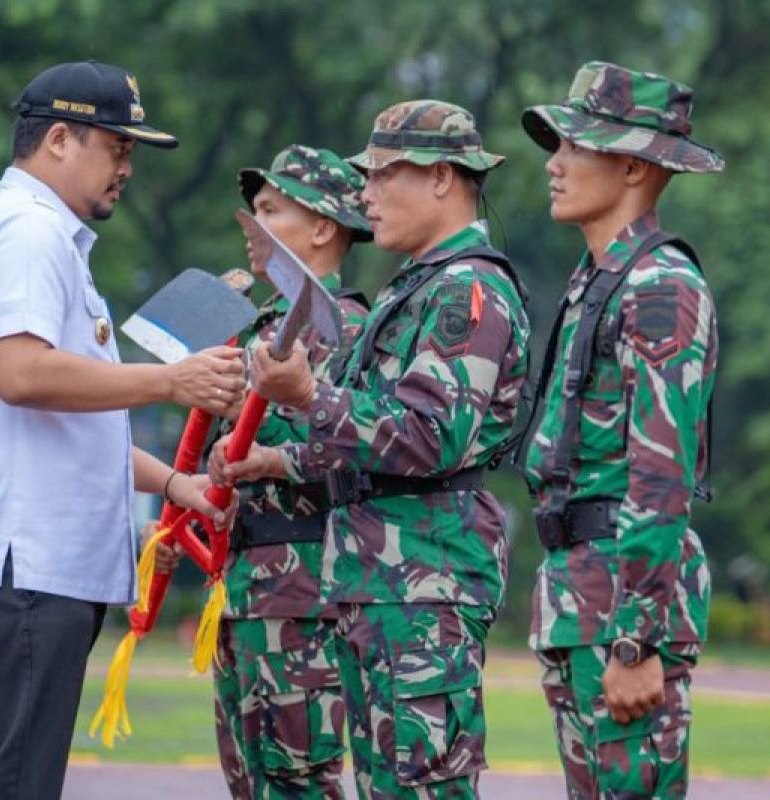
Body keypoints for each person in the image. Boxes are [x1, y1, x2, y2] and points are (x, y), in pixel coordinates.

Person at [0, 60, 246, 800]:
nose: (126, 167)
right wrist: (171, 378)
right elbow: (24, 375)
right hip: (20, 564)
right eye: (116, 146)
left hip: (23, 564)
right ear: (58, 138)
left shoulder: (43, 236)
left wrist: (173, 483)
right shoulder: (29, 233)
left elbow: (72, 422)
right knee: (14, 790)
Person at [213, 102, 531, 799]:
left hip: (424, 579)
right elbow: (369, 438)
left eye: (385, 174)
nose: (367, 194)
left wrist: (306, 399)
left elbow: (427, 434)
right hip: (383, 580)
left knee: (420, 788)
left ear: (443, 176)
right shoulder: (419, 287)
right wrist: (276, 461)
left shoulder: (466, 287)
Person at [519, 61, 722, 799]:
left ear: (633, 166)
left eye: (575, 147)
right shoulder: (600, 278)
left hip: (621, 606)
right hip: (585, 595)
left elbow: (660, 476)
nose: (554, 164)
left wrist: (636, 636)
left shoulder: (659, 285)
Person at [203, 144, 371, 798]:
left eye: (271, 209)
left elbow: (357, 446)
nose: (253, 223)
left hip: (306, 591)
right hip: (247, 587)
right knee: (252, 782)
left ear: (324, 227)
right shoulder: (262, 326)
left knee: (298, 782)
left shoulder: (350, 328)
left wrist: (268, 458)